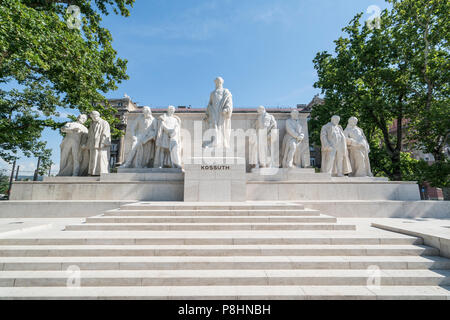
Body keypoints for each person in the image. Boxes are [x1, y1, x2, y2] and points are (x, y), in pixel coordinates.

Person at [204, 77, 233, 149]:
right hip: (213, 112)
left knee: (221, 127)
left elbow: (229, 101)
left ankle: (222, 143)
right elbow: (209, 104)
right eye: (216, 82)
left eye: (219, 82)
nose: (218, 83)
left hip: (221, 112)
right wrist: (207, 114)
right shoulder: (212, 93)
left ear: (222, 82)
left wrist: (227, 109)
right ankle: (214, 142)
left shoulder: (225, 91)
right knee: (214, 126)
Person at [87, 111, 111, 176]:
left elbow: (106, 133)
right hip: (93, 144)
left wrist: (103, 143)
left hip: (101, 144)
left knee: (101, 157)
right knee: (93, 158)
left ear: (97, 115)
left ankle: (102, 172)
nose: (93, 118)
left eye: (93, 116)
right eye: (92, 117)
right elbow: (89, 135)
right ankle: (93, 172)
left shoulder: (104, 123)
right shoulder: (91, 123)